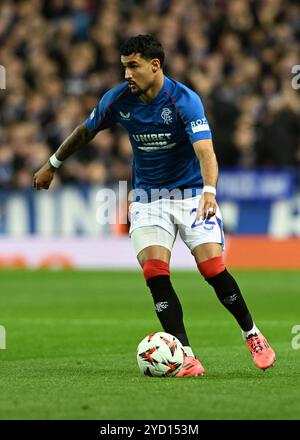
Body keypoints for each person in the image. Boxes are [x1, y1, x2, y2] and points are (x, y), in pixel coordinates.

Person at [33, 34, 276, 376]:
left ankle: (252, 334)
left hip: (191, 194)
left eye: (133, 66)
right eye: (124, 67)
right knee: (155, 274)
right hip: (148, 198)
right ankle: (185, 354)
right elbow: (85, 131)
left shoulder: (183, 100)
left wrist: (209, 191)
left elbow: (206, 151)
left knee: (212, 269)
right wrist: (52, 164)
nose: (127, 75)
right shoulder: (117, 100)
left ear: (154, 65)